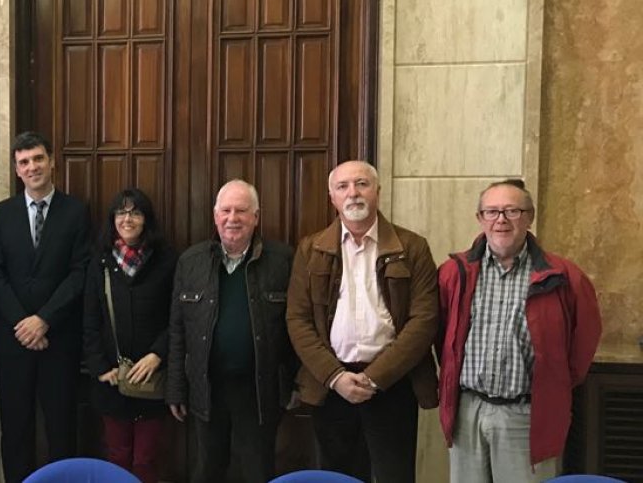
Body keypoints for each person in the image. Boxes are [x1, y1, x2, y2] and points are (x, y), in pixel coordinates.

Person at [437, 179, 601, 482]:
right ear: (480, 218)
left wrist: (555, 385)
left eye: (512, 211)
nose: (501, 220)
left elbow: (583, 343)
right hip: (467, 411)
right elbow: (442, 336)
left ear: (529, 217)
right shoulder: (454, 272)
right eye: (492, 211)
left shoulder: (564, 277)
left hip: (526, 416)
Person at [286, 160, 438, 483]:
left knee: (393, 476)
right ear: (332, 198)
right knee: (337, 477)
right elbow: (297, 320)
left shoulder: (412, 247)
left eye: (362, 184)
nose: (352, 193)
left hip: (392, 385)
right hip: (331, 387)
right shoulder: (310, 249)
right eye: (343, 187)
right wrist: (336, 376)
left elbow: (424, 320)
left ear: (378, 193)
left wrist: (374, 378)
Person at [166, 180, 295, 483]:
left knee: (257, 470)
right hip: (206, 388)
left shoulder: (282, 261)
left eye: (241, 211)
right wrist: (175, 388)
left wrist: (296, 383)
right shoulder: (191, 261)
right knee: (208, 469)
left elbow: (296, 328)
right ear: (215, 216)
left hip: (259, 389)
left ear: (256, 217)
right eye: (226, 210)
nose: (232, 218)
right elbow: (177, 330)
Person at [0, 131, 90, 483]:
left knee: (62, 427)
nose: (32, 167)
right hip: (14, 341)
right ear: (17, 169)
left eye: (38, 158)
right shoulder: (0, 214)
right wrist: (23, 323)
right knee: (15, 428)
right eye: (24, 162)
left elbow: (80, 273)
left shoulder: (76, 211)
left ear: (51, 161)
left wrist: (44, 320)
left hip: (58, 339)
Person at [82, 188, 176, 483]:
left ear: (146, 219)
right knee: (117, 457)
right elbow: (90, 319)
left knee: (146, 460)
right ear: (112, 220)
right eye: (121, 212)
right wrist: (100, 367)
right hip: (112, 379)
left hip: (153, 379)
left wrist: (157, 355)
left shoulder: (167, 260)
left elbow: (179, 317)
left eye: (135, 212)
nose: (127, 219)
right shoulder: (100, 262)